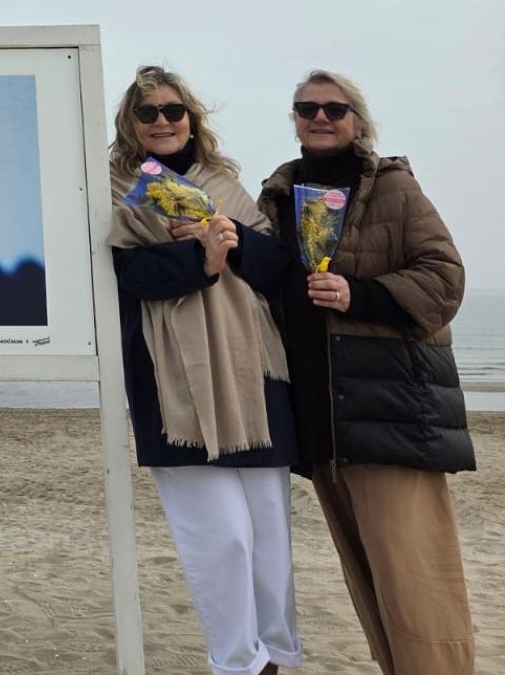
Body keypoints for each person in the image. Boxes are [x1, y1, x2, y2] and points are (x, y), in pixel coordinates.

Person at [258, 69, 475, 675]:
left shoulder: (393, 188)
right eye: (307, 108)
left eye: (335, 108)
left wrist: (359, 294)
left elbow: (445, 280)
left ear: (358, 121)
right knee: (370, 582)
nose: (319, 118)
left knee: (417, 586)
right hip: (324, 422)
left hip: (391, 416)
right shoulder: (278, 195)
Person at [106, 65, 302, 675]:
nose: (162, 121)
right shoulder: (114, 188)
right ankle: (239, 662)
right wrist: (199, 259)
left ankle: (278, 657)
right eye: (148, 113)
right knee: (223, 537)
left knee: (268, 536)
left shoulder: (224, 182)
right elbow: (125, 278)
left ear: (191, 118)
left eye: (173, 110)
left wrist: (229, 235)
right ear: (130, 124)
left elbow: (277, 270)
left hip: (254, 370)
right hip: (174, 378)